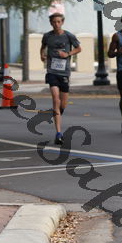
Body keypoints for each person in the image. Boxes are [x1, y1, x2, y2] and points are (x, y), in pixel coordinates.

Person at [40, 13, 82, 145]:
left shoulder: (68, 36)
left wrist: (67, 54)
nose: (56, 24)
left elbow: (79, 48)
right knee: (55, 99)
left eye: (58, 22)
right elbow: (43, 47)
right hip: (52, 72)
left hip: (64, 73)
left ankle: (57, 113)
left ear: (62, 22)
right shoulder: (47, 36)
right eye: (54, 22)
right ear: (51, 23)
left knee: (63, 104)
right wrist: (42, 55)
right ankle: (58, 134)